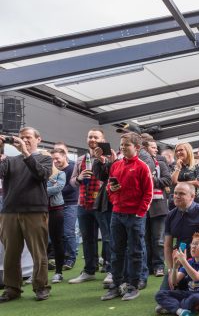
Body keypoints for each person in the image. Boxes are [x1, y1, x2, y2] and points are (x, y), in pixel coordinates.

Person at [0, 127, 53, 302]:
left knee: (38, 252)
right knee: (11, 253)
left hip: (35, 211)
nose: (24, 140)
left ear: (38, 139)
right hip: (9, 212)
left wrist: (25, 153)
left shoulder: (45, 158)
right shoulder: (9, 160)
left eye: (28, 137)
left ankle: (41, 286)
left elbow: (41, 174)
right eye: (21, 138)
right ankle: (12, 288)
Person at [100, 132, 153, 301]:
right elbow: (110, 187)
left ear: (136, 147)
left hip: (135, 216)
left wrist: (139, 213)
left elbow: (148, 193)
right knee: (116, 251)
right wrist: (112, 192)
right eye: (121, 144)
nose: (122, 147)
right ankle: (117, 285)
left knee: (135, 251)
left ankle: (133, 285)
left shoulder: (142, 166)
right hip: (117, 213)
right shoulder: (116, 165)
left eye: (126, 145)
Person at [68, 128, 112, 284]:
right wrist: (78, 178)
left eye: (96, 137)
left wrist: (104, 162)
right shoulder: (81, 159)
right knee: (87, 238)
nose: (92, 139)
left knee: (108, 238)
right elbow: (72, 181)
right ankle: (89, 270)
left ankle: (111, 270)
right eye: (90, 137)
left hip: (103, 204)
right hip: (83, 203)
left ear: (103, 140)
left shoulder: (109, 157)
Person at [163, 182, 199, 290]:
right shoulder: (170, 215)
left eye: (182, 194)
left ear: (192, 196)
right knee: (164, 294)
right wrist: (171, 270)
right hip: (180, 263)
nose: (177, 196)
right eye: (175, 193)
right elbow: (167, 245)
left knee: (194, 292)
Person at [155, 232, 199, 316]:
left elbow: (196, 277)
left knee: (193, 299)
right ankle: (181, 311)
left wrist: (183, 262)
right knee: (160, 294)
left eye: (198, 244)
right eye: (193, 243)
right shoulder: (189, 261)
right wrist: (175, 267)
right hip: (190, 293)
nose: (193, 246)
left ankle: (172, 306)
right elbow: (174, 281)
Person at [141, 137, 172, 277]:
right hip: (143, 205)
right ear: (145, 148)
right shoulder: (139, 164)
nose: (156, 150)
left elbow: (168, 180)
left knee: (158, 239)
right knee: (145, 238)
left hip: (158, 205)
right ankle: (147, 265)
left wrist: (151, 179)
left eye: (156, 148)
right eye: (153, 147)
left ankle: (159, 265)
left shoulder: (160, 163)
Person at [51, 147, 79, 271]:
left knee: (68, 233)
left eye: (57, 158)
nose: (55, 161)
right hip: (57, 206)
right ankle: (62, 258)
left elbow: (71, 187)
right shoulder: (54, 171)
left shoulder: (71, 168)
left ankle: (71, 258)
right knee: (59, 235)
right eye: (53, 159)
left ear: (64, 157)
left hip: (70, 204)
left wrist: (56, 190)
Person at [44, 151, 67, 284]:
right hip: (39, 210)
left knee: (57, 240)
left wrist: (40, 190)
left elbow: (58, 188)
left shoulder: (60, 173)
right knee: (40, 243)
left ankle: (58, 272)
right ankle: (37, 272)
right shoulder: (38, 173)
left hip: (55, 211)